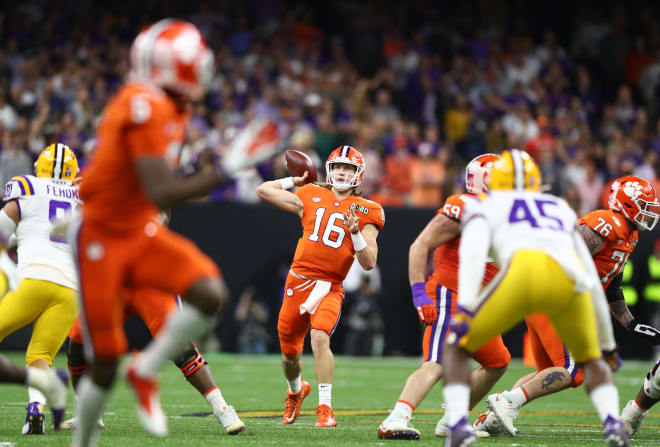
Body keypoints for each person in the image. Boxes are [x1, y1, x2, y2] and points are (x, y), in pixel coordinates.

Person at [70, 20, 237, 447]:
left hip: (140, 232)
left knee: (209, 293)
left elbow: (155, 188)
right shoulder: (142, 103)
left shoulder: (172, 104)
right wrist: (217, 175)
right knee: (103, 362)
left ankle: (145, 369)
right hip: (101, 238)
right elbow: (160, 189)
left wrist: (207, 173)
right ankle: (83, 441)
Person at [441, 149, 628, 447]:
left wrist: (466, 308)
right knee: (593, 361)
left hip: (523, 277)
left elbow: (473, 255)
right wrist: (606, 342)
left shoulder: (485, 206)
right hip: (569, 286)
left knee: (455, 346)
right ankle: (612, 424)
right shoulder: (559, 207)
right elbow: (590, 276)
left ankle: (456, 425)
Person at [474, 175, 660, 437]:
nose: (649, 211)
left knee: (548, 371)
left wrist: (631, 323)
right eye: (643, 204)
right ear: (626, 202)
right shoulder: (608, 222)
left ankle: (492, 418)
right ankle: (506, 402)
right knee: (575, 370)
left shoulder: (628, 235)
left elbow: (612, 284)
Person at [377, 154, 511, 440]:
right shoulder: (465, 205)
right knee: (437, 362)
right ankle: (396, 417)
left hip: (478, 305)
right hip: (448, 295)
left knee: (497, 361)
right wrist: (418, 295)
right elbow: (420, 245)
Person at [256, 145, 385, 427]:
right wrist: (294, 181)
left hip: (329, 286)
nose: (342, 172)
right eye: (338, 166)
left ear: (358, 174)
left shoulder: (369, 209)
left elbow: (369, 262)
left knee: (319, 337)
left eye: (348, 168)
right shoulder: (310, 193)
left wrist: (355, 233)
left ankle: (324, 407)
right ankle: (296, 390)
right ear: (329, 169)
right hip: (298, 281)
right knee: (289, 354)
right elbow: (264, 190)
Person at [0, 143, 81, 435]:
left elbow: (4, 227)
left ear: (40, 167)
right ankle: (36, 411)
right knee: (40, 356)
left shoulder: (27, 186)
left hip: (34, 279)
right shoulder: (83, 198)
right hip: (70, 290)